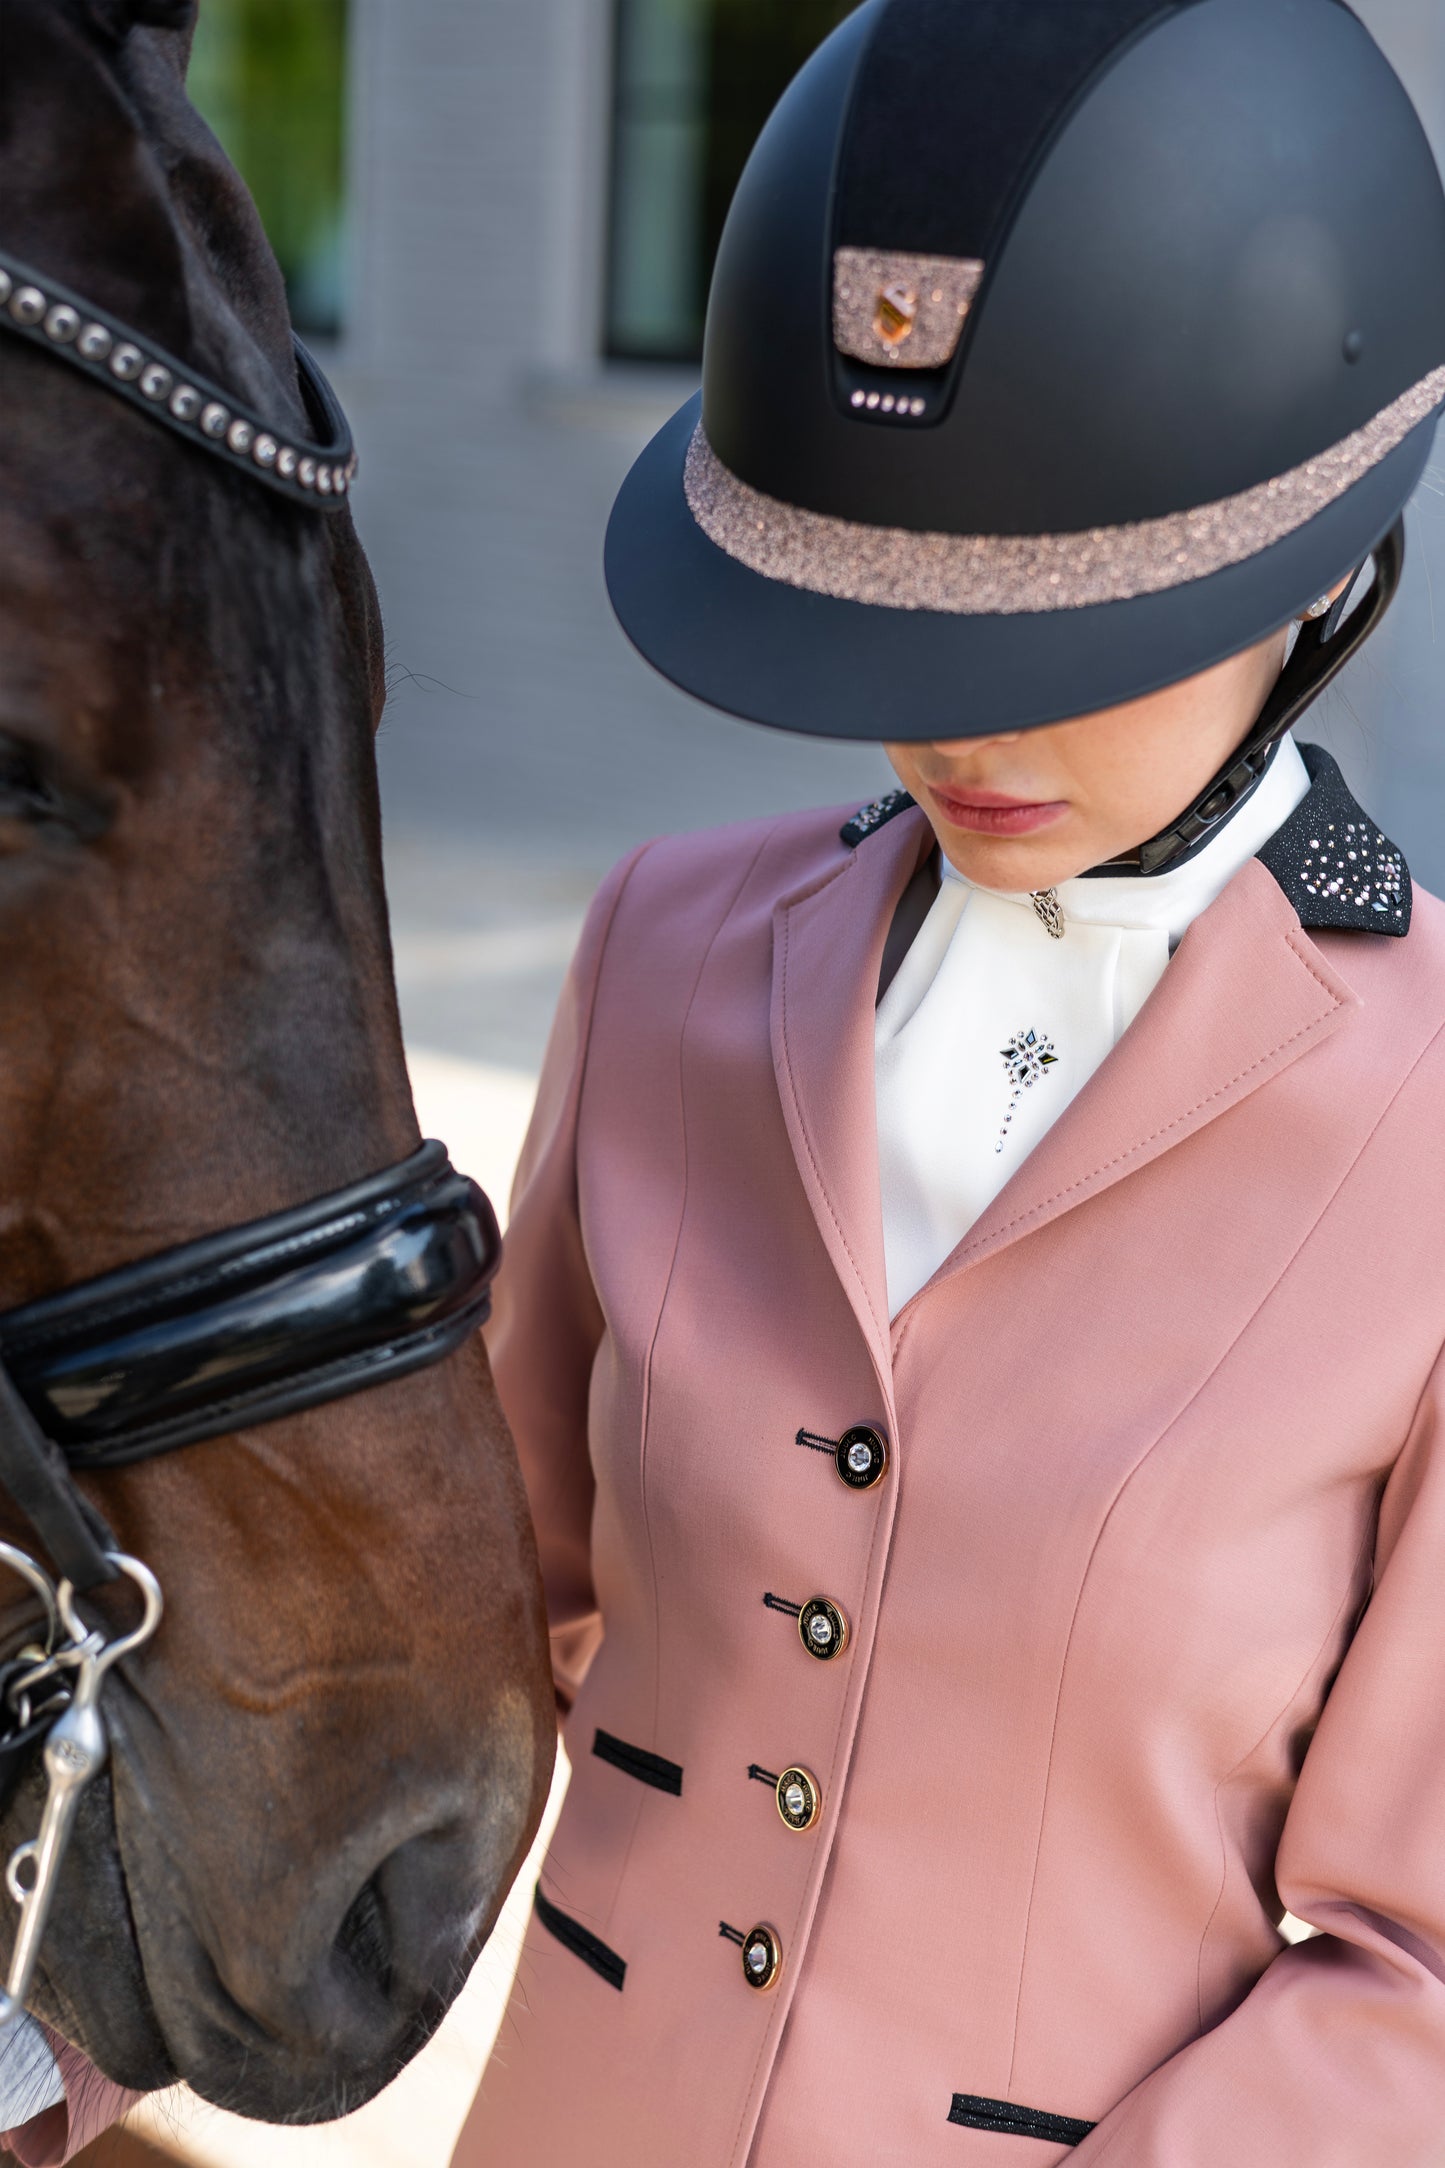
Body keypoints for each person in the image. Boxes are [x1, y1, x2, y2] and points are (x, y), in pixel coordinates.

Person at [452, 0, 1445, 2163]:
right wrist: (75, 2029)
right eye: (887, 626)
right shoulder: (660, 954)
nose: (949, 729)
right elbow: (439, 1640)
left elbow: (1422, 1979)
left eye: (1052, 637)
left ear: (1323, 565)